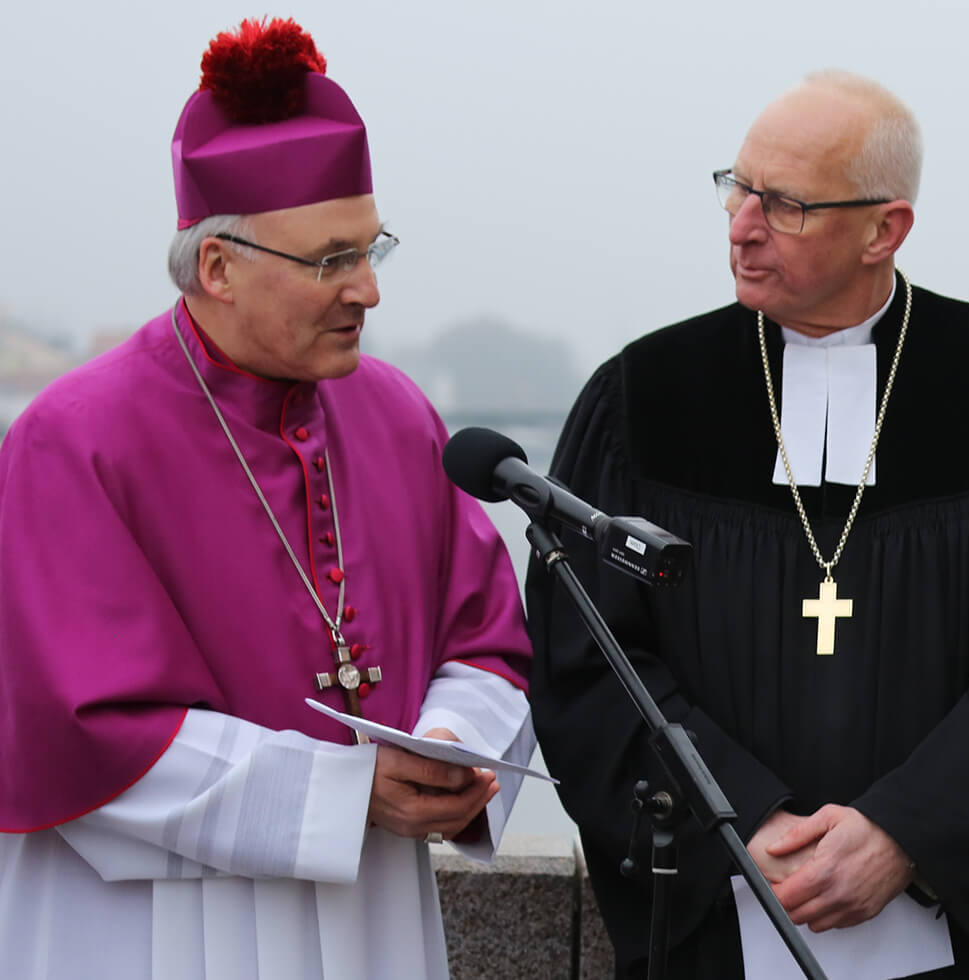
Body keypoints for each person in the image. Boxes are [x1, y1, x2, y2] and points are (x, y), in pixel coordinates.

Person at [528, 69, 969, 978]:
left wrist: (909, 831)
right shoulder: (644, 400)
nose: (742, 224)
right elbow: (587, 658)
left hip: (968, 941)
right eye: (736, 188)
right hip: (718, 925)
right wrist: (737, 820)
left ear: (884, 230)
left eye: (785, 205)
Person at [0, 19, 535, 978]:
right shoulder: (69, 440)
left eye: (373, 250)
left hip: (371, 910)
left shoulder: (398, 415)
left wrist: (448, 748)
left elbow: (487, 638)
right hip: (146, 929)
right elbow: (77, 731)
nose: (368, 290)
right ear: (218, 268)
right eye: (333, 260)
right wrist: (342, 792)